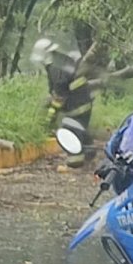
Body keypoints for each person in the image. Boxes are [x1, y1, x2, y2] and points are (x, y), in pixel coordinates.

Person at [31, 39, 96, 168]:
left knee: (69, 130)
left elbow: (59, 94)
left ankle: (75, 160)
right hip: (83, 100)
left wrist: (50, 117)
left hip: (76, 105)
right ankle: (89, 152)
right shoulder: (62, 60)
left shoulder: (55, 69)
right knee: (80, 127)